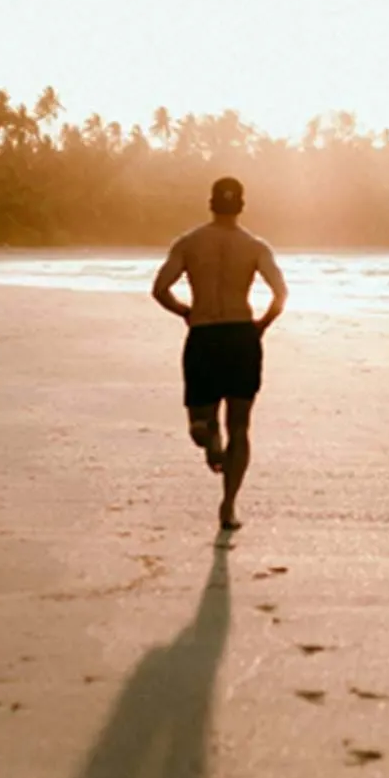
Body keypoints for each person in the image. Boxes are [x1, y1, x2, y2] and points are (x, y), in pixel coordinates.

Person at [152, 176, 288, 531]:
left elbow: (160, 289)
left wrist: (185, 311)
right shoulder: (255, 246)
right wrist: (261, 325)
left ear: (211, 203)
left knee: (198, 421)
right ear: (241, 205)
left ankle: (209, 435)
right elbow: (280, 294)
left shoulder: (189, 243)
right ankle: (228, 506)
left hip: (205, 335)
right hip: (242, 336)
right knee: (241, 426)